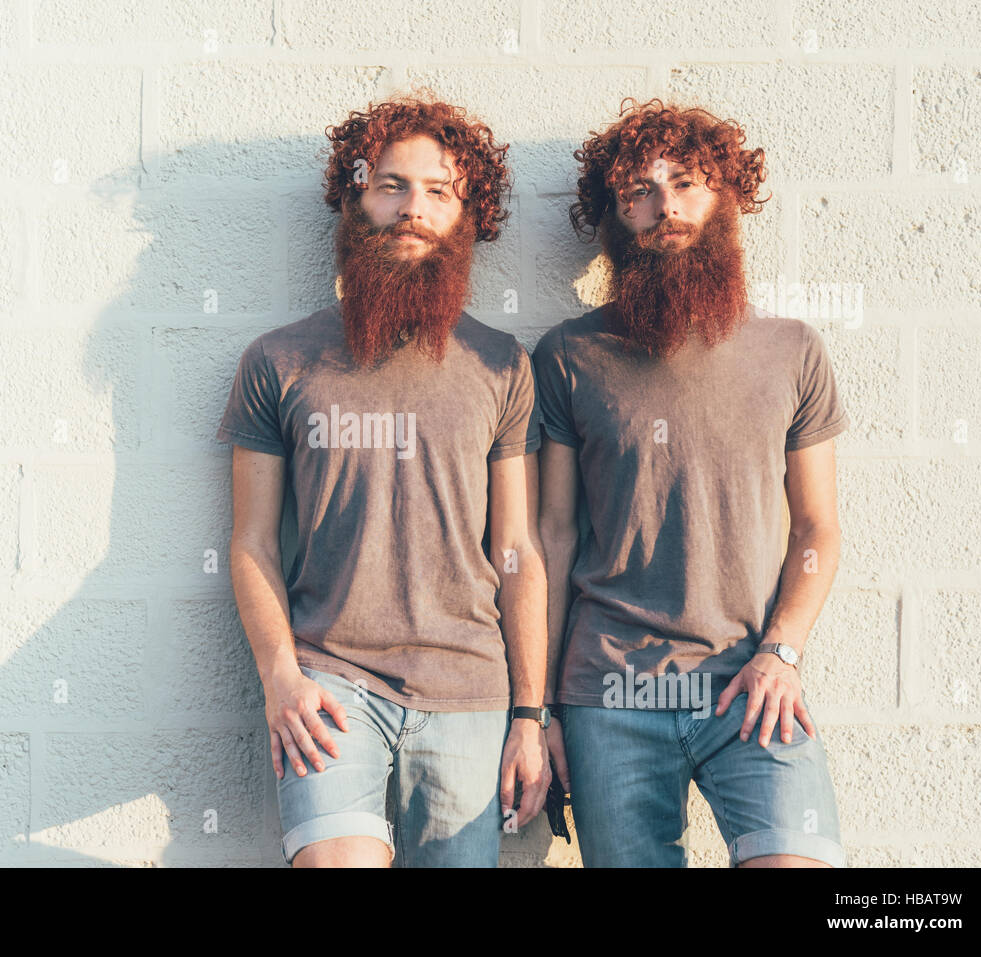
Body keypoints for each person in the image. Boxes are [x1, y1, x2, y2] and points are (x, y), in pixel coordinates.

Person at [217, 92, 550, 867]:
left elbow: (518, 551)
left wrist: (529, 715)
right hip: (329, 685)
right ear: (355, 198)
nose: (412, 208)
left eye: (439, 191)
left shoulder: (504, 364)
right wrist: (279, 678)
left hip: (470, 690)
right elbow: (252, 543)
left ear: (469, 215)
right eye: (391, 185)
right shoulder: (277, 362)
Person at [533, 98, 849, 867]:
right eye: (639, 190)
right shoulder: (569, 355)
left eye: (687, 182)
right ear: (615, 216)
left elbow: (818, 530)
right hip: (608, 692)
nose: (665, 205)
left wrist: (784, 652)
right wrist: (537, 709)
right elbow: (550, 537)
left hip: (751, 679)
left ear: (726, 197)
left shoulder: (792, 350)